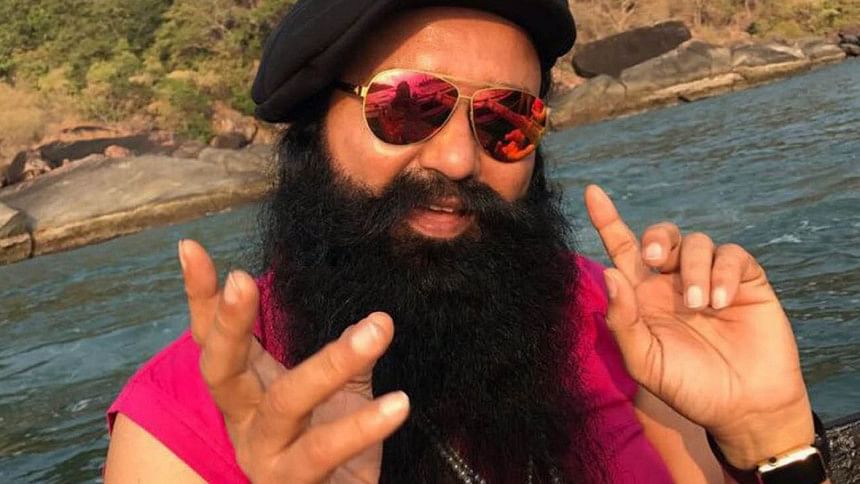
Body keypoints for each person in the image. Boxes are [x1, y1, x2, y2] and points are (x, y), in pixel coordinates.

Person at [104, 1, 829, 483]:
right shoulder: (183, 418)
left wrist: (769, 438)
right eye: (406, 105)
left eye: (506, 119)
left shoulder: (619, 320)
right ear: (313, 131)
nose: (458, 160)